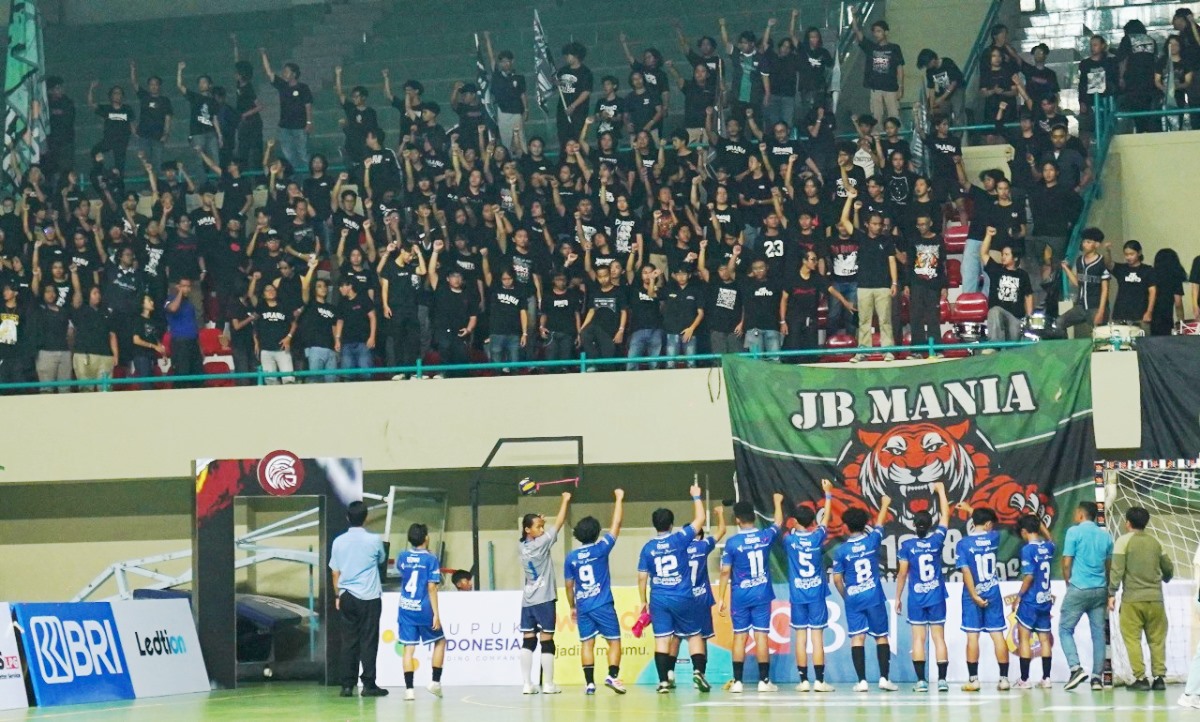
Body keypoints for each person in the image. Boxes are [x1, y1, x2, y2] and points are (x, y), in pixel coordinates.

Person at [637, 483, 706, 693]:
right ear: (672, 524)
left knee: (662, 639)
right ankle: (697, 672)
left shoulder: (647, 548)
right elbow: (701, 519)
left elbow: (642, 577)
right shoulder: (679, 538)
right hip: (683, 596)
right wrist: (696, 497)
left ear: (654, 525)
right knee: (694, 635)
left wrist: (643, 601)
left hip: (659, 598)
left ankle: (663, 682)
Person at [718, 493, 784, 694]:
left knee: (740, 636)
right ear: (753, 517)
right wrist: (777, 502)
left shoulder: (732, 543)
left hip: (740, 596)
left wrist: (721, 597)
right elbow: (779, 522)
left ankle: (738, 682)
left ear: (737, 519)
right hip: (761, 594)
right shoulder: (765, 536)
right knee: (761, 636)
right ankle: (764, 681)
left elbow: (725, 571)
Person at [564, 488, 626, 695]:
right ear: (597, 532)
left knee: (587, 643)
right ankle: (612, 676)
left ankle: (590, 684)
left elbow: (568, 585)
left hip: (583, 605)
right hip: (603, 604)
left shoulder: (571, 557)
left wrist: (572, 605)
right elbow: (616, 524)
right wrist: (618, 499)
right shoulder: (601, 548)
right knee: (614, 641)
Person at [833, 498, 896, 693]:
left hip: (854, 598)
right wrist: (884, 504)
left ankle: (861, 682)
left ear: (845, 527)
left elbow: (837, 579)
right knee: (881, 637)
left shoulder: (841, 550)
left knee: (857, 639)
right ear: (864, 524)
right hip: (874, 596)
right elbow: (879, 524)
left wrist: (847, 596)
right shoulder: (872, 540)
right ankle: (884, 679)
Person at [894, 482, 951, 693]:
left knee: (918, 638)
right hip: (936, 596)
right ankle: (943, 681)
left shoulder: (907, 546)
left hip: (916, 598)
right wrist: (941, 491)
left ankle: (921, 682)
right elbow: (945, 516)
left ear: (913, 524)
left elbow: (902, 574)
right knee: (939, 638)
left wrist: (898, 597)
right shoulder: (937, 539)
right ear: (929, 524)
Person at [1110, 506, 1173, 691]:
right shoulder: (1155, 542)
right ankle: (1159, 678)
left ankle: (1141, 679)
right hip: (1155, 599)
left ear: (1127, 523)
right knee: (1157, 640)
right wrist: (1166, 578)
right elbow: (1168, 568)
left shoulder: (1123, 542)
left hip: (1132, 600)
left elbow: (1117, 570)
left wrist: (1111, 593)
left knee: (1132, 640)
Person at [329, 500, 387, 698]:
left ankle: (347, 685)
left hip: (346, 596)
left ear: (347, 517)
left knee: (349, 641)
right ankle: (369, 685)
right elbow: (381, 560)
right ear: (366, 517)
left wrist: (338, 595)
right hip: (369, 596)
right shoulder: (374, 540)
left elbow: (335, 573)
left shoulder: (338, 542)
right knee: (369, 641)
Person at [784, 480, 835, 693]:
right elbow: (827, 518)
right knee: (817, 637)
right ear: (813, 521)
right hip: (816, 594)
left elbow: (787, 528)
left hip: (797, 595)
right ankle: (820, 682)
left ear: (795, 521)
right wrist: (828, 494)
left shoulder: (789, 540)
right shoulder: (817, 537)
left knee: (801, 637)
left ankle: (803, 681)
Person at [518, 491, 572, 695]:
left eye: (542, 527)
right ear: (527, 529)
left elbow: (539, 530)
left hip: (528, 600)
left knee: (528, 640)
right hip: (544, 599)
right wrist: (564, 500)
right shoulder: (541, 544)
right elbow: (559, 523)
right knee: (547, 640)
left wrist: (539, 522)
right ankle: (548, 684)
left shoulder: (522, 545)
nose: (542, 530)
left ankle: (526, 683)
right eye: (538, 527)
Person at [1059, 501, 1114, 691]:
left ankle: (1075, 668)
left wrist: (1069, 584)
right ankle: (1097, 678)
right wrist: (1107, 589)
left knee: (1065, 629)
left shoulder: (1073, 532)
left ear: (1081, 515)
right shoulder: (1105, 535)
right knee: (1098, 634)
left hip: (1079, 587)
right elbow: (1109, 566)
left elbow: (1066, 563)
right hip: (1100, 589)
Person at [956, 503, 1011, 691]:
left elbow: (966, 572)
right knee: (998, 635)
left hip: (972, 595)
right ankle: (1004, 679)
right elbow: (984, 524)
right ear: (988, 524)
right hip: (993, 591)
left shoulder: (963, 543)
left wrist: (974, 595)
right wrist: (972, 510)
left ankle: (973, 680)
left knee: (973, 637)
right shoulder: (994, 538)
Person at [838, 189, 897, 362]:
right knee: (864, 321)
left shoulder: (886, 240)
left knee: (885, 321)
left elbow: (892, 261)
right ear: (867, 224)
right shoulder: (860, 238)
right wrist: (849, 199)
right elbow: (843, 220)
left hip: (883, 286)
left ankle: (888, 351)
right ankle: (863, 351)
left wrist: (894, 283)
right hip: (863, 286)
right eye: (875, 224)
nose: (878, 227)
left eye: (880, 224)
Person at [396, 522, 446, 701]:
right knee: (440, 642)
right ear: (426, 538)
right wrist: (436, 614)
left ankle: (409, 690)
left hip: (406, 608)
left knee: (409, 648)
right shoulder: (431, 559)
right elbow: (431, 587)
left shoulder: (402, 556)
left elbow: (403, 573)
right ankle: (435, 682)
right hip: (424, 608)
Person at [1013, 514, 1055, 689]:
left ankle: (1025, 679)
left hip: (1031, 601)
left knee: (1024, 638)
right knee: (1045, 639)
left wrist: (1019, 596)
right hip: (1045, 599)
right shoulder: (1048, 547)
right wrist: (1041, 525)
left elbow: (1029, 575)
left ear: (1023, 531)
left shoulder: (1027, 550)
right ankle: (1046, 678)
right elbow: (1051, 538)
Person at [260, 50, 314, 172]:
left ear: (294, 74)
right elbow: (269, 73)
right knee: (289, 155)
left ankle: (306, 180)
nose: (284, 73)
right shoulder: (282, 86)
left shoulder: (303, 88)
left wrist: (309, 122)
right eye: (283, 71)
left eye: (286, 71)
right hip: (285, 127)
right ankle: (293, 180)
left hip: (300, 126)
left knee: (303, 154)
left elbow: (308, 105)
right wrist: (264, 55)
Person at [1053, 227, 1109, 339]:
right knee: (1059, 322)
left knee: (1099, 335)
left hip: (1095, 306)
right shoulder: (1080, 261)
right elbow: (1078, 283)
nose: (1084, 244)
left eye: (1088, 242)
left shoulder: (1102, 262)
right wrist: (1066, 268)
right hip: (1081, 306)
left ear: (1096, 245)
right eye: (1084, 241)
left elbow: (1105, 289)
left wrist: (1101, 310)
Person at [980, 226, 1033, 345]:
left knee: (1013, 348)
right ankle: (993, 345)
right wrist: (988, 235)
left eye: (1006, 254)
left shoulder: (1022, 275)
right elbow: (983, 253)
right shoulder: (996, 269)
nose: (1003, 257)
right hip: (998, 314)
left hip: (1016, 318)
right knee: (995, 310)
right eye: (1002, 254)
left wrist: (1029, 318)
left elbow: (1028, 295)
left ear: (1015, 257)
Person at [851, 10, 905, 123]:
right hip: (875, 88)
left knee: (894, 117)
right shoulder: (871, 47)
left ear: (886, 32)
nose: (876, 34)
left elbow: (900, 68)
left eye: (879, 31)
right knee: (876, 119)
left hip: (891, 88)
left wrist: (901, 87)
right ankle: (877, 139)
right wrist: (854, 17)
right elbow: (857, 32)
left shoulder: (894, 48)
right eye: (875, 32)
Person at [905, 214, 947, 356]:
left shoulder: (938, 240)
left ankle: (936, 350)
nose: (921, 227)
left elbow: (942, 265)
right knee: (916, 317)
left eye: (924, 224)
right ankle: (917, 351)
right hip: (917, 284)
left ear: (930, 224)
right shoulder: (914, 240)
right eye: (919, 224)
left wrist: (944, 286)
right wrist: (906, 284)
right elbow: (909, 264)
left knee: (933, 318)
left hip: (933, 284)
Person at [1104, 239, 1157, 328]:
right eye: (1126, 254)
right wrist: (1108, 251)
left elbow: (1153, 292)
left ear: (1139, 253)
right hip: (1120, 314)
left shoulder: (1148, 270)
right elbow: (1108, 264)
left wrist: (1149, 312)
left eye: (1131, 254)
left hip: (1140, 315)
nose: (1128, 257)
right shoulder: (1121, 268)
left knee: (1142, 340)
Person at [164, 278, 202, 385]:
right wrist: (180, 292)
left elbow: (194, 326)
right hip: (180, 343)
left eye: (188, 286)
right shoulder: (169, 300)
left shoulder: (190, 304)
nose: (187, 289)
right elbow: (173, 308)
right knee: (182, 375)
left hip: (193, 342)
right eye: (183, 286)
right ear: (177, 286)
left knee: (197, 376)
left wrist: (200, 348)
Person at [918, 49, 965, 122]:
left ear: (933, 60)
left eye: (927, 64)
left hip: (957, 89)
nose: (927, 67)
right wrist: (931, 106)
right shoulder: (929, 71)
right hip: (944, 91)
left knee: (957, 111)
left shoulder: (947, 62)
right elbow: (931, 89)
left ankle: (960, 132)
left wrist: (942, 98)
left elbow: (954, 82)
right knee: (944, 112)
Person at [1151, 248, 1186, 336]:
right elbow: (1178, 303)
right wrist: (1181, 323)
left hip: (1150, 315)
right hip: (1166, 317)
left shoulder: (1151, 274)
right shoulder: (1175, 278)